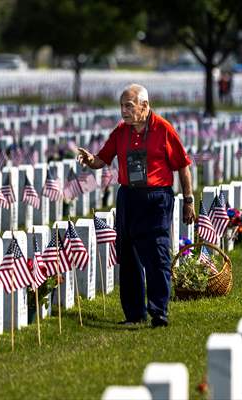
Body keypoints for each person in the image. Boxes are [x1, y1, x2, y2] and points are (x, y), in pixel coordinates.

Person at [76, 84, 195, 328]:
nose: (124, 111)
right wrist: (90, 161)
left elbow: (183, 164)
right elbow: (103, 158)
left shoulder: (163, 129)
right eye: (121, 106)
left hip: (155, 198)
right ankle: (134, 313)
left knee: (157, 254)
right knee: (128, 255)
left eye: (129, 106)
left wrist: (189, 200)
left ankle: (159, 311)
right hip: (128, 197)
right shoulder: (121, 131)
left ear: (144, 105)